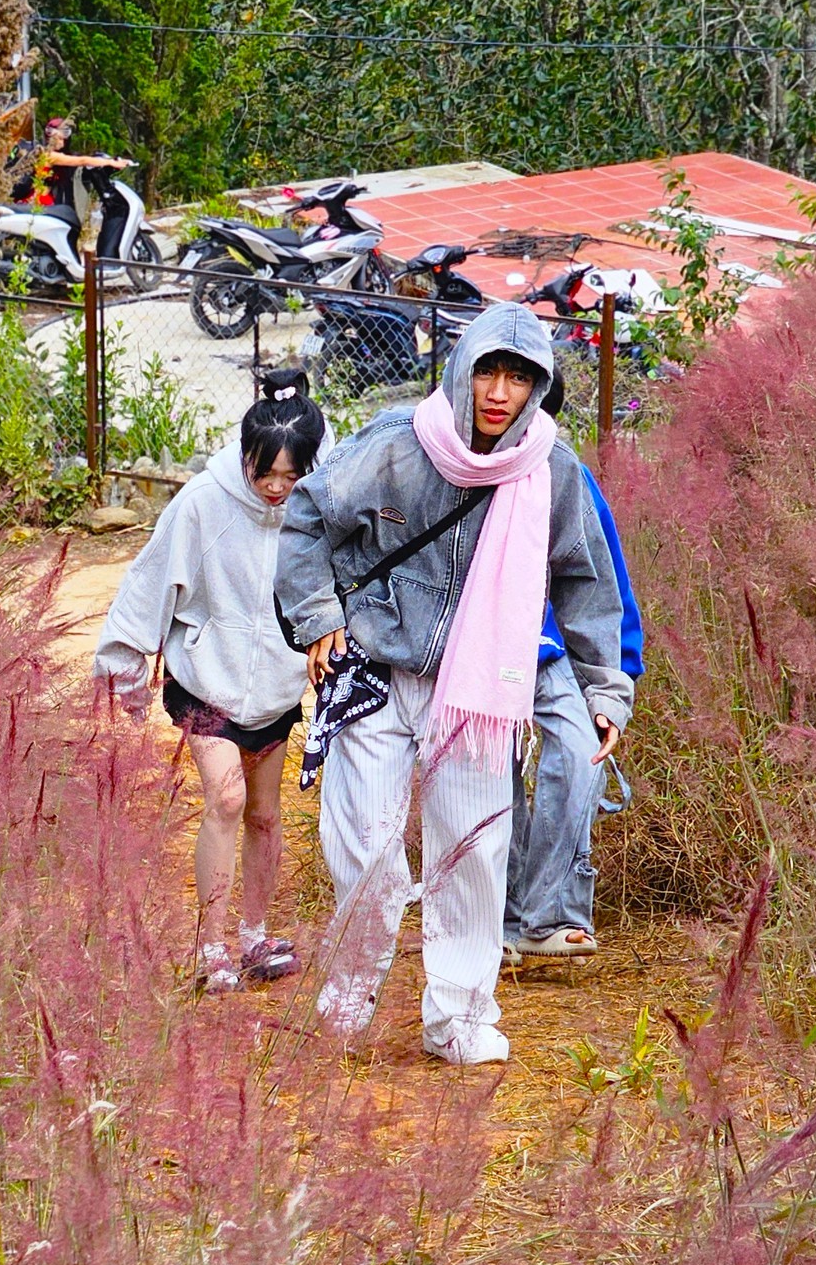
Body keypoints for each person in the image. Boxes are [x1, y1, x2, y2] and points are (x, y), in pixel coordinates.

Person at [273, 305, 633, 1064]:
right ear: (461, 368)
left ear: (539, 387)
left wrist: (604, 690)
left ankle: (460, 1020)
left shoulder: (551, 471)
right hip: (375, 671)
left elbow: (586, 584)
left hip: (475, 693)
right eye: (489, 371)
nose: (500, 391)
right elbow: (310, 513)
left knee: (473, 854)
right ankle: (343, 1003)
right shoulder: (400, 441)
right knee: (367, 854)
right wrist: (317, 615)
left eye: (520, 376)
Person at [97, 368, 328, 991]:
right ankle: (211, 949)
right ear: (245, 458)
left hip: (279, 686)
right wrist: (125, 663)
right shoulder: (202, 502)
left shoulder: (323, 505)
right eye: (265, 474)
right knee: (225, 798)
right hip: (206, 680)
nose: (278, 488)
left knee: (265, 815)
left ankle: (255, 936)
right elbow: (149, 580)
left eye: (291, 476)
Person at [507, 446, 644, 961]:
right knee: (488, 770)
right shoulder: (457, 463)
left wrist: (615, 676)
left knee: (579, 753)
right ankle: (496, 914)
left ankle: (552, 913)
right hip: (470, 651)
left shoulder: (566, 474)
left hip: (548, 648)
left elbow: (602, 579)